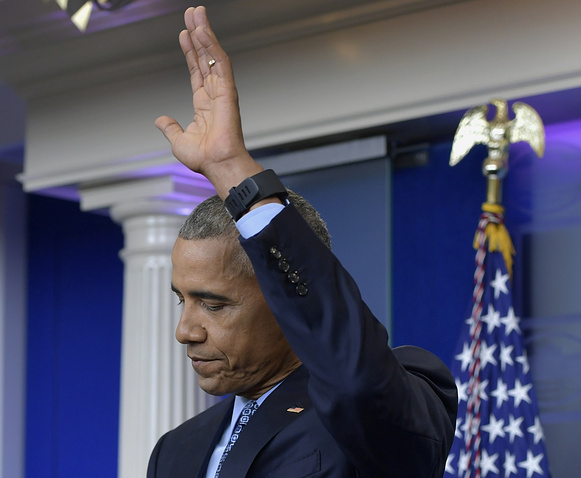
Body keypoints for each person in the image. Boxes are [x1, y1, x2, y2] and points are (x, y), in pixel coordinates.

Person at [147, 6, 457, 477]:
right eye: (182, 301)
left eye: (212, 304)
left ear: (284, 300)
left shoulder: (371, 410)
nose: (185, 331)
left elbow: (355, 385)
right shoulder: (175, 450)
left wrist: (231, 169)